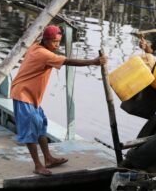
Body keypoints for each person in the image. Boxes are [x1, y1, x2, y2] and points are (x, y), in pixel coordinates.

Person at [10, 25, 107, 176]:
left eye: (59, 42)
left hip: (32, 97)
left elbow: (37, 33)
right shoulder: (43, 54)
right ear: (46, 40)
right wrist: (93, 62)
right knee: (30, 130)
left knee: (41, 124)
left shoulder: (37, 45)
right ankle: (38, 165)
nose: (57, 45)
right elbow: (68, 61)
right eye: (55, 42)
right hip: (23, 95)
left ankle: (48, 158)